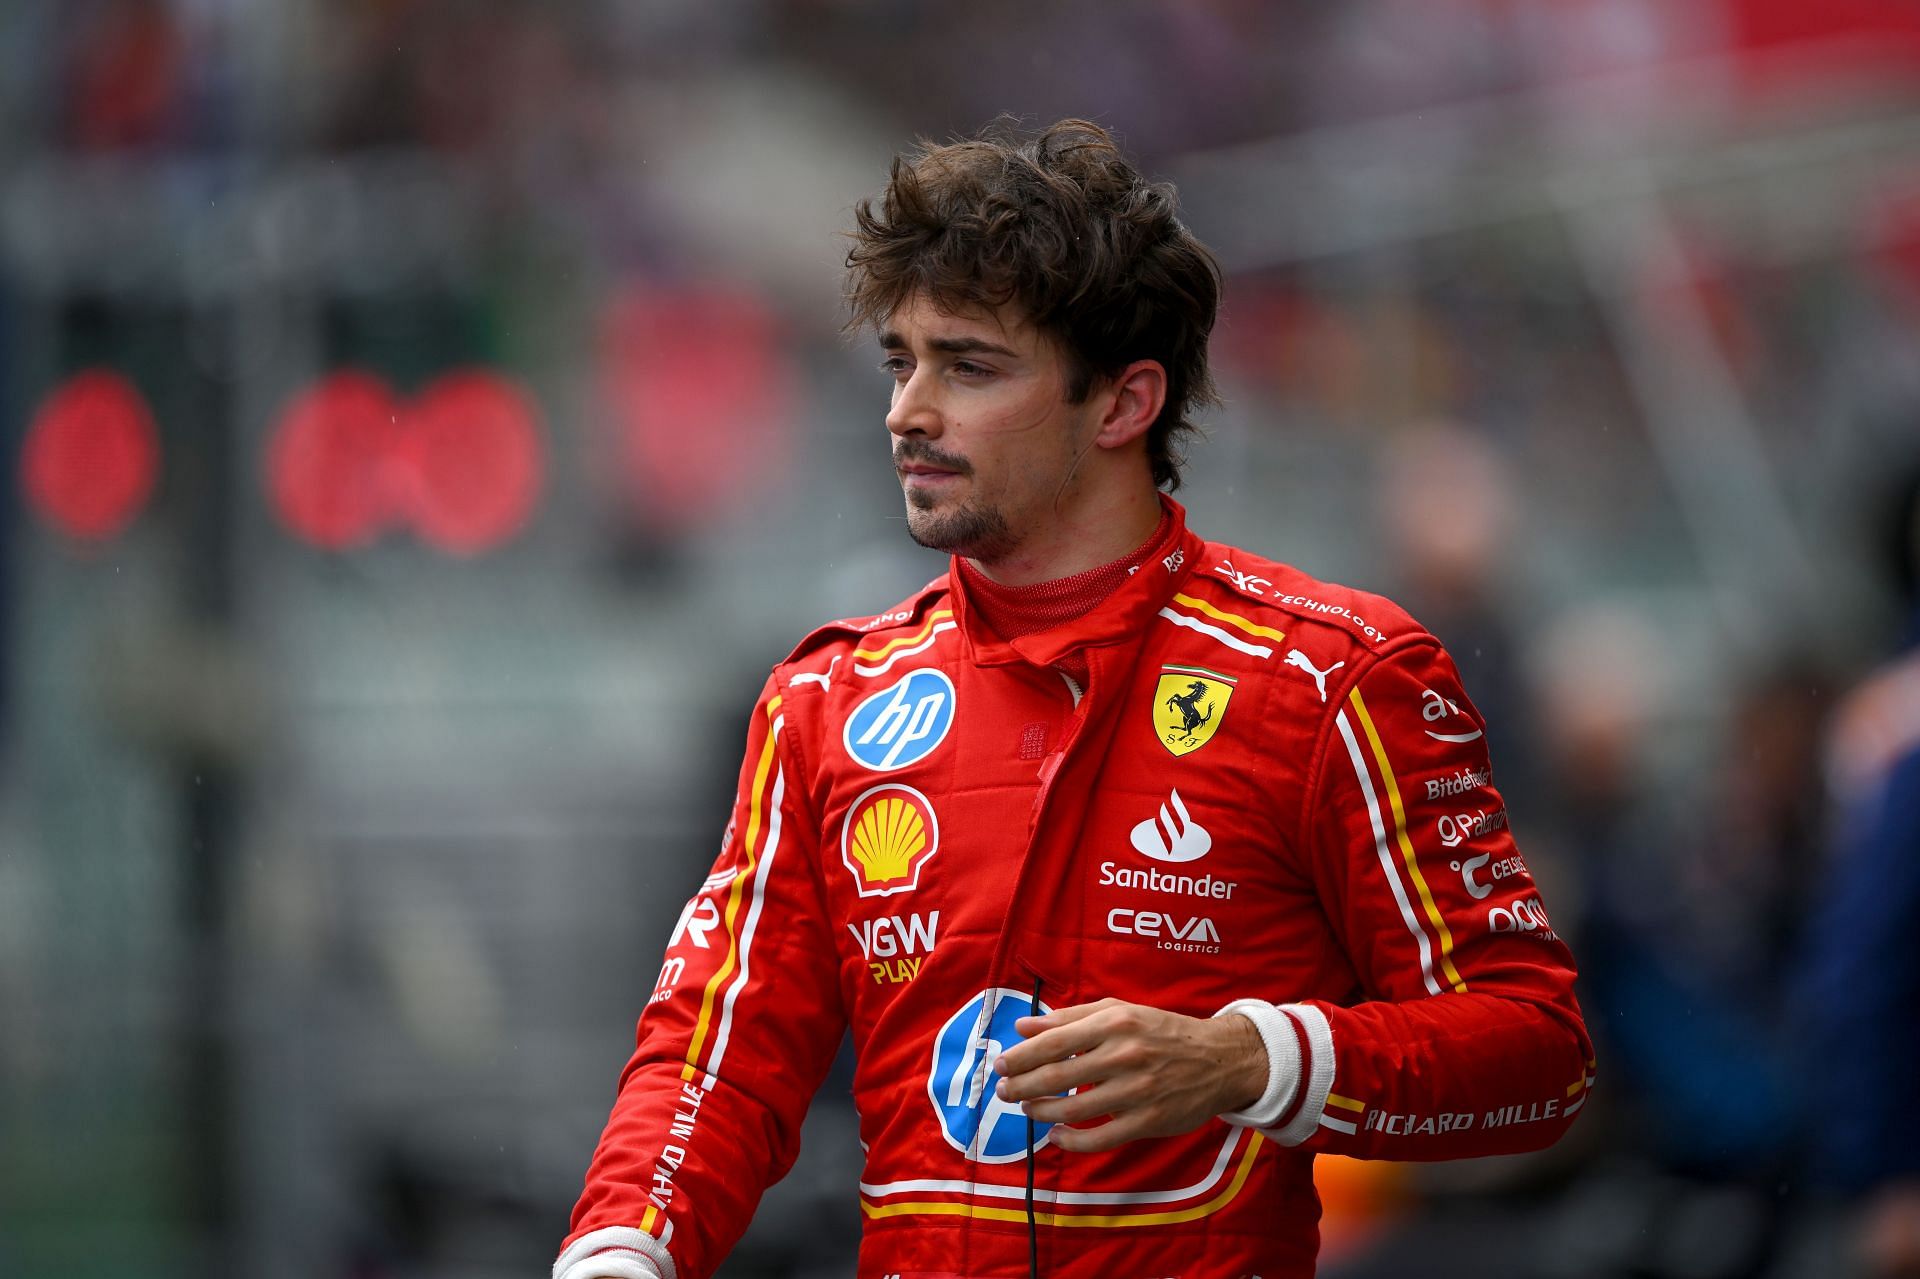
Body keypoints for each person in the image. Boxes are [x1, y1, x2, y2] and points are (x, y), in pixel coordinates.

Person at [554, 118, 1591, 1279]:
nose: (907, 411)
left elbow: (1539, 1055)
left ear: (1121, 403)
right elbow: (716, 1056)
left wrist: (1249, 1060)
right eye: (901, 362)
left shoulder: (1335, 674)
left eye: (970, 365)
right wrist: (618, 1254)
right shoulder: (828, 698)